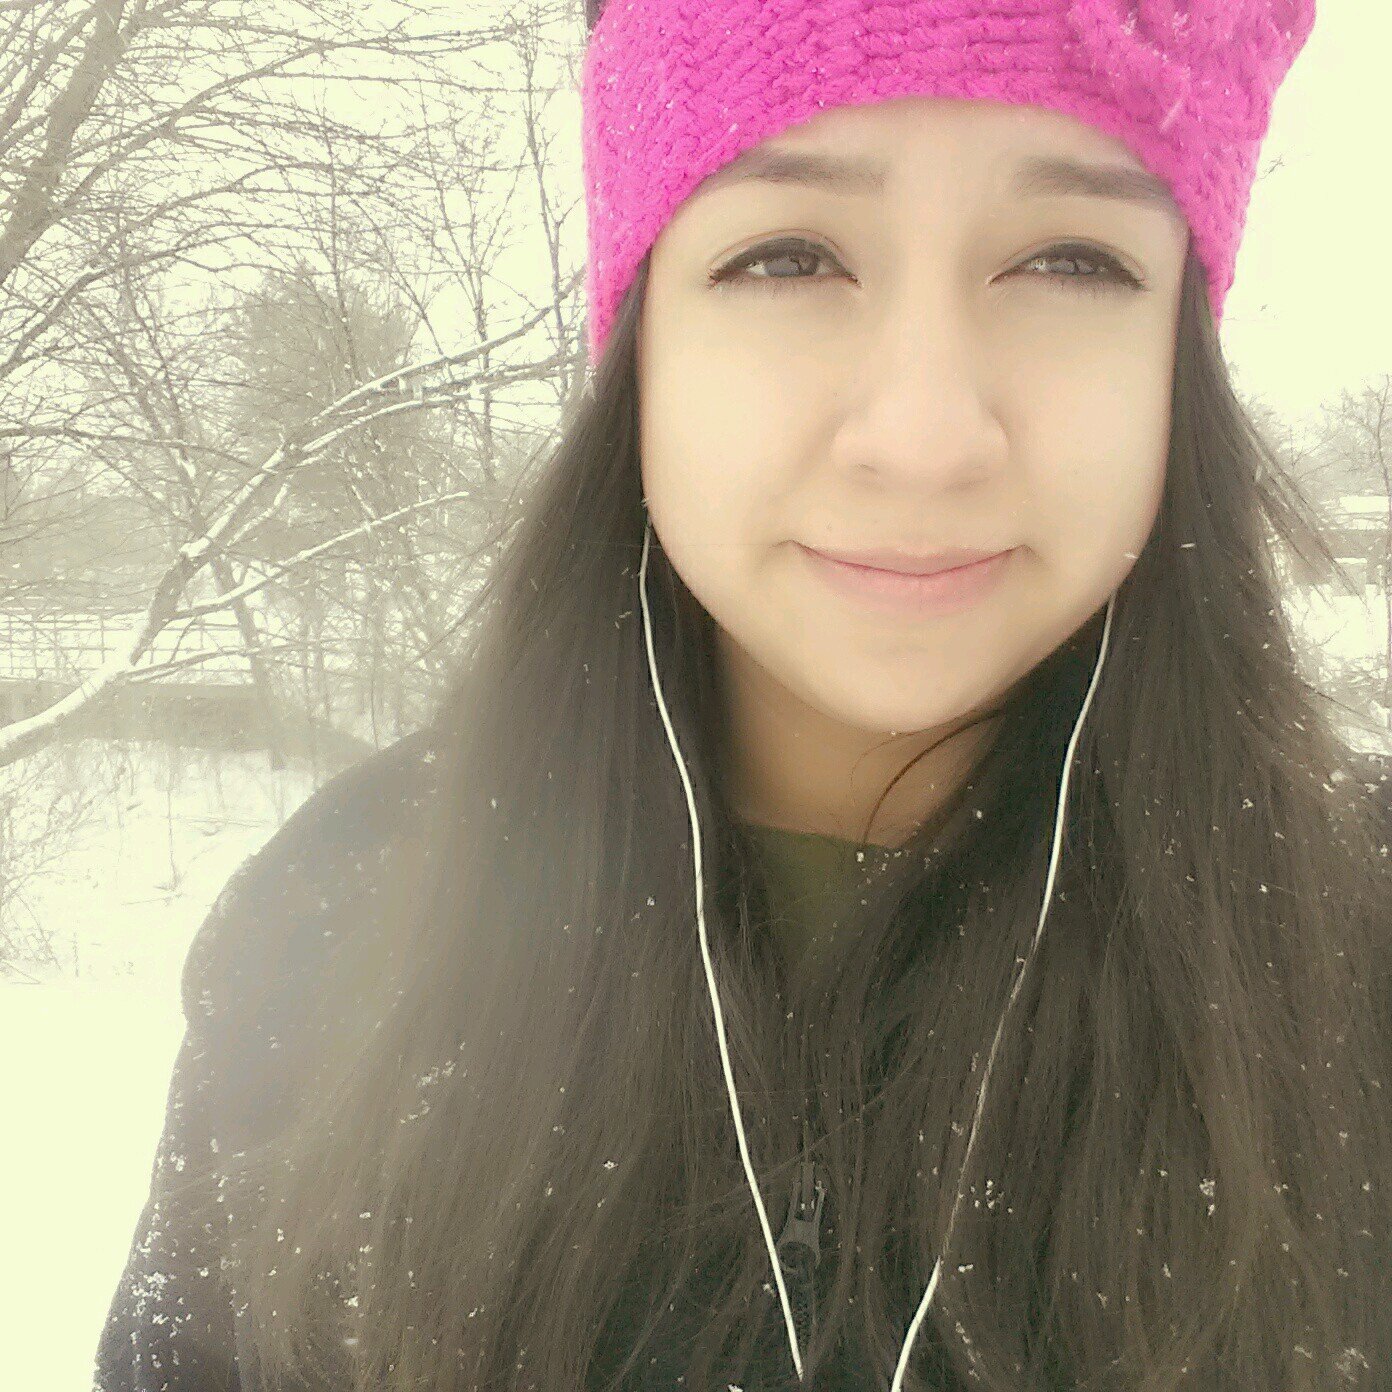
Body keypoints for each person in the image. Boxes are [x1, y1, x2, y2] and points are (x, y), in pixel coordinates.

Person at [96, 1, 1392, 1389]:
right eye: (788, 257)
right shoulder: (342, 919)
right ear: (642, 342)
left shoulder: (1359, 956)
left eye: (1073, 260)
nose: (925, 438)